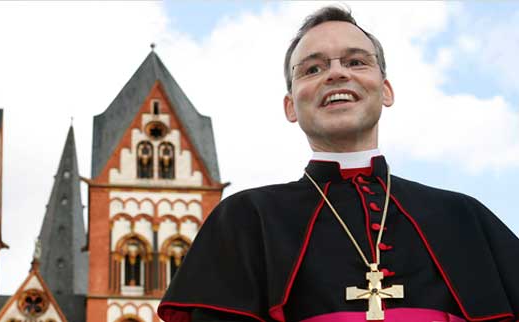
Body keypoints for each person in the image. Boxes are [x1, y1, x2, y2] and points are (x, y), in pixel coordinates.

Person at [157, 6, 519, 322]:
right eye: (312, 69)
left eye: (356, 62)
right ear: (290, 107)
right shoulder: (245, 219)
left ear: (386, 89)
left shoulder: (465, 217)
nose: (336, 73)